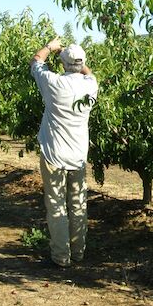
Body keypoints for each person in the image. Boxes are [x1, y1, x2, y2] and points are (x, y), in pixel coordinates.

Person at [30, 38, 98, 267]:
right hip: (78, 155)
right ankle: (78, 252)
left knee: (56, 204)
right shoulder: (91, 86)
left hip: (54, 154)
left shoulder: (54, 83)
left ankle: (61, 256)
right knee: (78, 203)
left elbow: (37, 61)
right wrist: (78, 59)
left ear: (63, 64)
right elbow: (87, 72)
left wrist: (51, 47)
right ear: (83, 63)